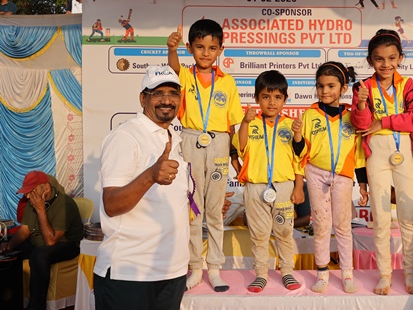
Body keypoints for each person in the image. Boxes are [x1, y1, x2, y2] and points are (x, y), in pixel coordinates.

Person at [93, 65, 190, 310]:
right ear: (142, 99)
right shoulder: (126, 136)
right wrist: (150, 176)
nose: (166, 100)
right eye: (157, 93)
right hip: (130, 275)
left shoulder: (174, 138)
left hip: (172, 272)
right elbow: (111, 204)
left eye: (173, 93)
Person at [167, 20, 244, 292]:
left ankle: (214, 268)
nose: (206, 53)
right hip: (191, 139)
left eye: (212, 48)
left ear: (221, 49)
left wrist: (234, 157)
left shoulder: (227, 81)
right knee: (193, 208)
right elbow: (173, 69)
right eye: (200, 47)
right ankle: (195, 268)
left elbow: (232, 124)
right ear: (190, 48)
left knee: (214, 209)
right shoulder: (185, 76)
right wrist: (172, 50)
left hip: (220, 143)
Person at [351, 29, 413, 295]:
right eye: (379, 59)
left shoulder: (407, 85)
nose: (386, 64)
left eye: (392, 58)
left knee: (407, 215)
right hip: (376, 154)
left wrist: (383, 122)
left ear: (400, 58)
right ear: (370, 60)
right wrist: (361, 106)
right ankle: (384, 273)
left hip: (402, 150)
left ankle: (409, 272)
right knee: (381, 217)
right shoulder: (363, 88)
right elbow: (361, 125)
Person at [292, 62, 363, 294]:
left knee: (342, 225)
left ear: (343, 88)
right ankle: (322, 273)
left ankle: (347, 273)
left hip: (342, 175)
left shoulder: (351, 117)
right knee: (321, 225)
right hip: (315, 173)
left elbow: (359, 153)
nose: (324, 91)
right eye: (320, 86)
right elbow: (300, 153)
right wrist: (297, 135)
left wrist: (363, 184)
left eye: (331, 86)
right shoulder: (310, 114)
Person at [232, 70, 305, 293]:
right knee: (259, 234)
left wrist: (299, 187)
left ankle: (287, 271)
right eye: (265, 96)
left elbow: (299, 158)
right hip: (256, 187)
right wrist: (245, 122)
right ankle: (261, 274)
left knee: (284, 232)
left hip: (284, 187)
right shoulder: (251, 122)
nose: (271, 102)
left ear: (285, 99)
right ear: (256, 98)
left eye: (277, 97)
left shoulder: (291, 124)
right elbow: (241, 147)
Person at [0, 170, 83, 310]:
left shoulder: (64, 204)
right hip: (39, 242)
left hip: (66, 244)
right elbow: (24, 230)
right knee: (9, 250)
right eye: (26, 192)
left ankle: (36, 305)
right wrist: (10, 245)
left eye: (31, 191)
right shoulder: (32, 201)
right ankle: (12, 300)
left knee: (40, 254)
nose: (28, 196)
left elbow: (51, 241)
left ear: (46, 187)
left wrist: (40, 210)